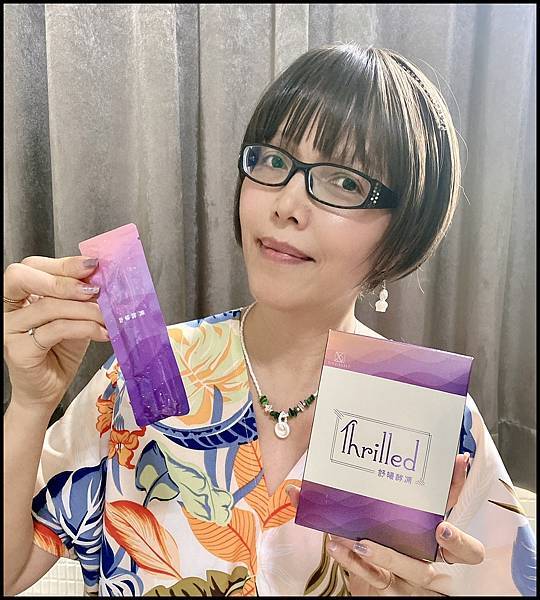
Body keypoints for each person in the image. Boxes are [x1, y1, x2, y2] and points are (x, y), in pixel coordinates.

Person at [3, 43, 535, 597]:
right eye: (274, 162)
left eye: (345, 181)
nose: (286, 204)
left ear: (404, 232)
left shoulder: (433, 423)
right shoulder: (141, 376)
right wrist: (31, 404)